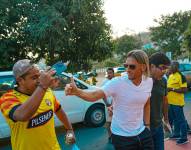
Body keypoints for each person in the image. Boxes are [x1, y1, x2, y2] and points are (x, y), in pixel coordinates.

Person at [65, 50, 154, 150]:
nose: (127, 69)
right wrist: (77, 92)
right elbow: (94, 95)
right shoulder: (117, 82)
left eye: (132, 66)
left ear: (143, 67)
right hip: (122, 136)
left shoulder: (148, 82)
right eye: (126, 65)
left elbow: (147, 103)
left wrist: (147, 125)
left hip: (142, 132)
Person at [0, 59, 75, 150]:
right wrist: (43, 86)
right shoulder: (7, 99)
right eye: (34, 78)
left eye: (40, 76)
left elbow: (58, 110)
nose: (39, 80)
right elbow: (22, 115)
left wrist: (69, 129)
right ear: (20, 80)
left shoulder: (47, 91)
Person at [149, 52, 171, 150]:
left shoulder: (163, 81)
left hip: (158, 126)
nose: (164, 71)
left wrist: (166, 120)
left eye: (166, 68)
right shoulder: (140, 82)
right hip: (143, 129)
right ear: (152, 66)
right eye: (162, 68)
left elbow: (165, 101)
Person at [167, 61, 188, 145]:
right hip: (170, 102)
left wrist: (172, 89)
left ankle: (184, 138)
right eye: (170, 66)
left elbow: (184, 90)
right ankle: (176, 134)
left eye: (172, 66)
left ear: (176, 67)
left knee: (181, 120)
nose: (170, 68)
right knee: (175, 119)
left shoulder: (181, 76)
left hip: (178, 103)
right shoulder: (171, 75)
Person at [101, 67, 115, 142]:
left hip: (116, 105)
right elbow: (102, 94)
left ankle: (115, 135)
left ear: (113, 73)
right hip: (107, 104)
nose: (109, 74)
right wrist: (107, 104)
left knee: (115, 121)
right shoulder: (104, 82)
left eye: (110, 73)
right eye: (108, 73)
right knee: (108, 122)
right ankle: (110, 135)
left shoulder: (116, 81)